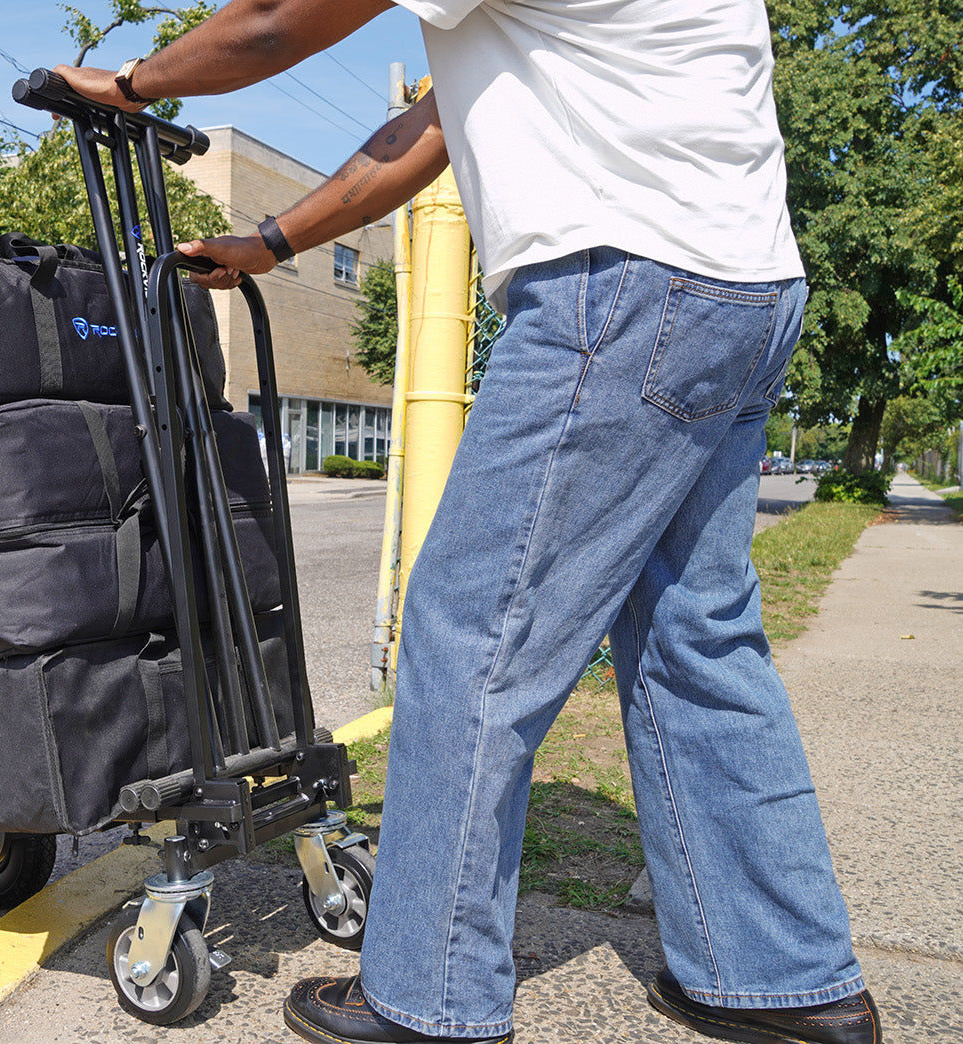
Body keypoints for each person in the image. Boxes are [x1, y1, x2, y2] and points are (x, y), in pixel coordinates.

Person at [57, 1, 879, 1042]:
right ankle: (782, 979)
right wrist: (272, 241)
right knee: (694, 637)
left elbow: (274, 19)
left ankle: (429, 997)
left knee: (470, 636)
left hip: (619, 288)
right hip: (741, 288)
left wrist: (132, 82)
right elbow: (438, 123)